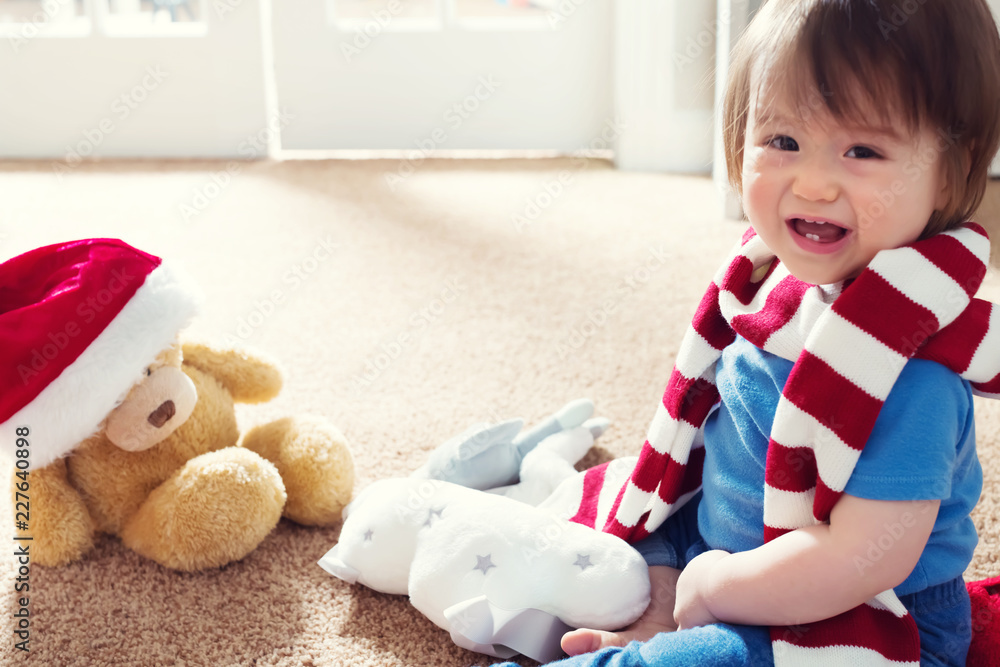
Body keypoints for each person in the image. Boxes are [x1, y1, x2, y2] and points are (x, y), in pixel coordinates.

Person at [493, 0, 1000, 665]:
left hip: (858, 612)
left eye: (864, 150)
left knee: (711, 658)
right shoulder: (767, 288)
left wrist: (715, 588)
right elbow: (709, 430)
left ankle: (644, 639)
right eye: (783, 141)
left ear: (952, 172)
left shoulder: (912, 372)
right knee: (598, 520)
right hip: (722, 538)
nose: (812, 183)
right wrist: (694, 561)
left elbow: (861, 561)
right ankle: (649, 594)